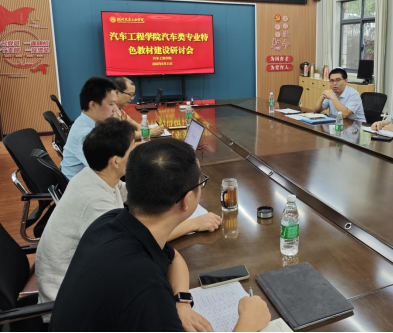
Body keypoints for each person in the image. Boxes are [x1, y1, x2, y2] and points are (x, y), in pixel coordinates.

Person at [49, 139, 270, 332]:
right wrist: (248, 322)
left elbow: (173, 257)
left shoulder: (112, 221)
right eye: (200, 182)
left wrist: (182, 302)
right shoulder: (147, 290)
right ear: (186, 201)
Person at [38, 119, 222, 318]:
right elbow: (146, 237)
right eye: (133, 147)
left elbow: (144, 194)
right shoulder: (97, 205)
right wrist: (193, 223)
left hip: (89, 284)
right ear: (116, 161)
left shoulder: (97, 177)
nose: (137, 151)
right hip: (68, 303)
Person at [61, 77, 118, 179]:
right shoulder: (85, 135)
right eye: (111, 104)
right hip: (81, 185)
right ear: (93, 105)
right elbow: (106, 170)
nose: (115, 109)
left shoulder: (91, 123)